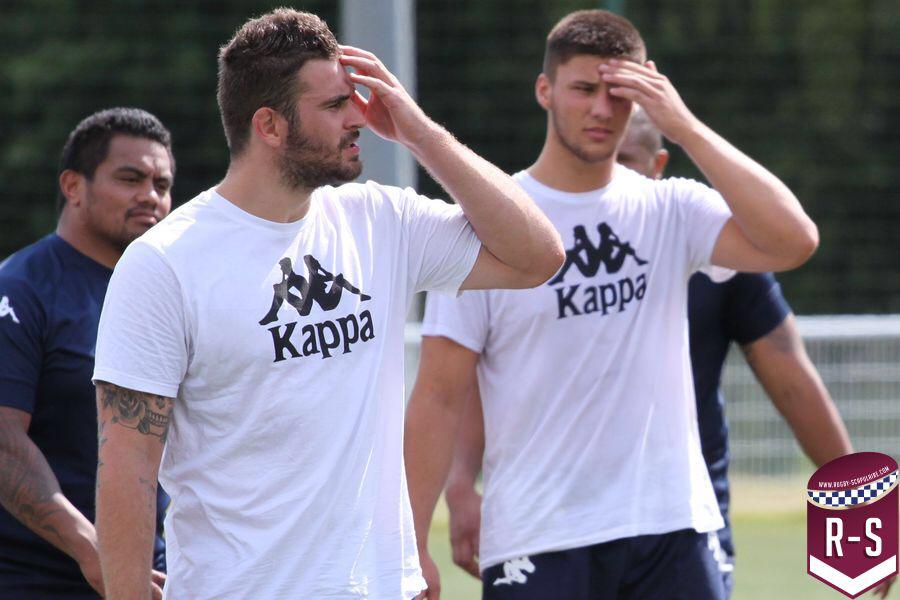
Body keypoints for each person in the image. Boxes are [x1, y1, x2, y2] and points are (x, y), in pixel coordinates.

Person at [91, 8, 563, 600]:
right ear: (269, 125)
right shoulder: (164, 263)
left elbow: (537, 256)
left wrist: (421, 133)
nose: (361, 117)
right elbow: (127, 466)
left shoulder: (383, 220)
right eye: (336, 105)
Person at [405, 9, 820, 600]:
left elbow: (795, 240)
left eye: (617, 92)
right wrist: (413, 540)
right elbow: (439, 393)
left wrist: (685, 126)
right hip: (540, 536)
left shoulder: (670, 208)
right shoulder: (494, 223)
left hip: (671, 527)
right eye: (583, 89)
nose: (602, 109)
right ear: (545, 90)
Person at [0, 108, 173, 599]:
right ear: (74, 186)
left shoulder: (164, 293)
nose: (151, 197)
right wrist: (92, 549)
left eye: (162, 184)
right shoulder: (20, 290)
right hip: (39, 578)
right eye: (130, 178)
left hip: (152, 574)